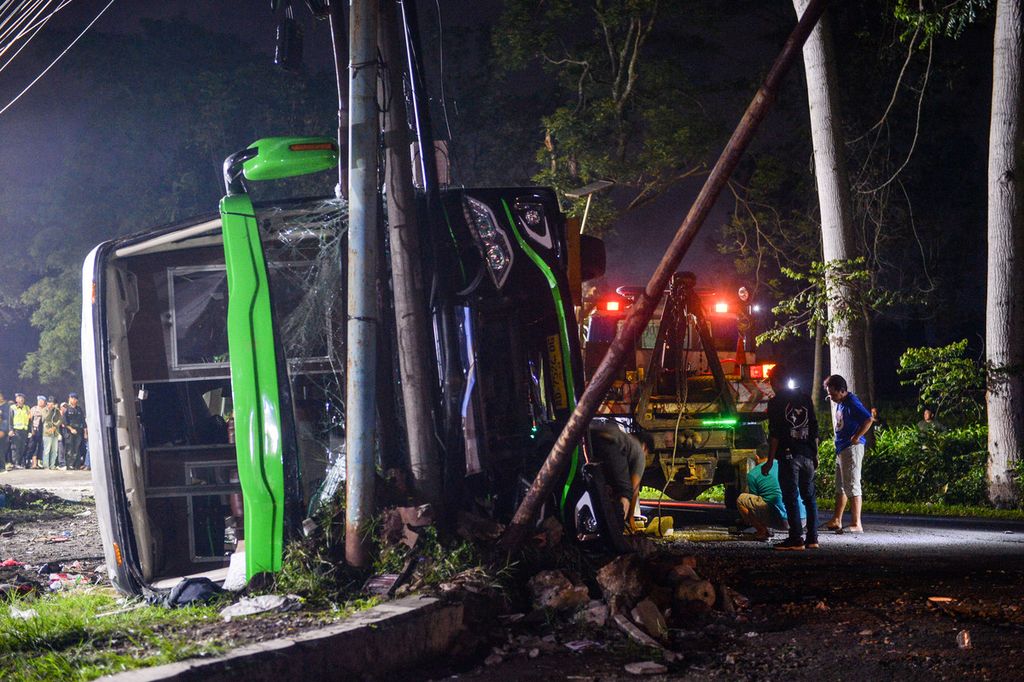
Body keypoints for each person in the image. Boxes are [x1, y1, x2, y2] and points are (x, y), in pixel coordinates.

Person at [764, 365, 819, 550]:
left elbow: (775, 434)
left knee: (791, 496)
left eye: (771, 382)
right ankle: (813, 539)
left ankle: (796, 539)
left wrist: (770, 460)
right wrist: (815, 453)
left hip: (789, 455)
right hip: (808, 454)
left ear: (776, 381)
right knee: (809, 497)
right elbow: (814, 428)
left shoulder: (776, 402)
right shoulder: (805, 398)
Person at [822, 374, 873, 534]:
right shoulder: (842, 403)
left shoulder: (851, 401)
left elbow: (868, 419)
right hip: (842, 449)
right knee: (841, 486)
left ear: (842, 390)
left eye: (833, 393)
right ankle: (837, 519)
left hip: (851, 448)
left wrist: (856, 437)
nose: (831, 397)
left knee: (851, 484)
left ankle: (856, 523)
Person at [589, 421, 652, 530]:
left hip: (591, 439)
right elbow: (634, 488)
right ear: (645, 447)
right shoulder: (639, 451)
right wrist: (631, 518)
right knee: (625, 491)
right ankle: (617, 530)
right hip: (610, 444)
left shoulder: (626, 438)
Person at [737, 448, 805, 541]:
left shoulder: (753, 473)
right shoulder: (786, 466)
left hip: (781, 521)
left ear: (757, 457)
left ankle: (762, 531)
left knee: (741, 499)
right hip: (802, 519)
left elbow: (755, 500)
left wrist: (747, 518)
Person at [63, 392, 87, 470]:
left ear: (76, 400)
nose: (71, 400)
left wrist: (85, 432)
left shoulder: (79, 409)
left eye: (73, 398)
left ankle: (76, 465)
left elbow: (83, 421)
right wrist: (71, 429)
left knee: (77, 448)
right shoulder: (67, 409)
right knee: (70, 448)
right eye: (70, 398)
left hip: (79, 430)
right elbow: (65, 422)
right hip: (70, 431)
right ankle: (69, 465)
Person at [9, 393, 31, 469]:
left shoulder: (27, 408)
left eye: (22, 398)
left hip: (24, 430)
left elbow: (29, 420)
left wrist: (30, 431)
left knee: (22, 447)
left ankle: (20, 462)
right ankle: (15, 463)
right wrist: (11, 430)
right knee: (15, 447)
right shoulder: (12, 408)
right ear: (16, 400)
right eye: (19, 398)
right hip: (16, 430)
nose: (21, 399)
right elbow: (10, 420)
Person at [42, 397, 62, 470]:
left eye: (53, 403)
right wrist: (50, 410)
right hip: (47, 432)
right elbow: (46, 418)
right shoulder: (44, 410)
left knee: (54, 450)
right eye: (50, 403)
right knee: (47, 450)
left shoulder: (57, 411)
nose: (51, 404)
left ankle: (52, 465)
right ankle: (46, 465)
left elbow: (60, 419)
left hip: (55, 432)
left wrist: (55, 426)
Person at [27, 395, 47, 470]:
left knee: (41, 447)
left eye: (42, 401)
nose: (40, 402)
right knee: (33, 447)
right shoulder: (34, 409)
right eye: (39, 401)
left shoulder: (46, 409)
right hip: (35, 430)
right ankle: (33, 463)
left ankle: (39, 463)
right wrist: (31, 430)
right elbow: (29, 420)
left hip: (44, 430)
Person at [0, 392, 9, 472]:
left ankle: (1, 467)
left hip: (1, 432)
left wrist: (2, 430)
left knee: (0, 450)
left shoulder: (5, 407)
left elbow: (6, 420)